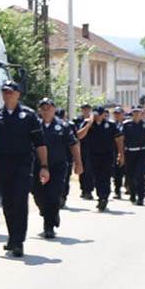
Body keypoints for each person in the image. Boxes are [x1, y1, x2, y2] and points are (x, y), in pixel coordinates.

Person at [0, 82, 48, 257]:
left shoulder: (29, 115)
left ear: (18, 94)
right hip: (2, 163)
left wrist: (44, 166)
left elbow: (40, 143)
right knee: (8, 202)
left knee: (20, 200)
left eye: (10, 92)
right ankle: (12, 237)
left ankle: (18, 241)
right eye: (4, 92)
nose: (7, 95)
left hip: (23, 163)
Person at [32, 99, 81, 238]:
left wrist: (78, 163)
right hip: (38, 166)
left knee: (53, 195)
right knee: (38, 195)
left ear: (54, 109)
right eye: (43, 108)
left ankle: (49, 226)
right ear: (40, 110)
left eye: (48, 108)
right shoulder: (34, 125)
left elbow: (73, 144)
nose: (46, 111)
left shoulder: (63, 126)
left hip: (57, 166)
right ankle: (48, 213)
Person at [81, 105, 124, 212]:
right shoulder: (87, 123)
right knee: (96, 177)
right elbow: (79, 136)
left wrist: (120, 154)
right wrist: (89, 124)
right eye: (96, 114)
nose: (98, 116)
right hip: (92, 155)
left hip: (107, 155)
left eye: (100, 114)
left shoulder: (110, 125)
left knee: (105, 177)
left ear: (103, 115)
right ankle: (100, 196)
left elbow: (118, 139)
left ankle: (103, 198)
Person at [119, 107, 145, 205]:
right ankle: (133, 194)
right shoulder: (126, 125)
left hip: (141, 152)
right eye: (134, 112)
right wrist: (121, 154)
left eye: (138, 112)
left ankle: (141, 197)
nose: (136, 114)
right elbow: (121, 140)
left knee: (140, 175)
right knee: (130, 175)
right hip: (129, 152)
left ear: (141, 114)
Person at [75, 103, 95, 199]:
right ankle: (83, 188)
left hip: (92, 147)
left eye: (87, 109)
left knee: (90, 170)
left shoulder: (94, 119)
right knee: (82, 169)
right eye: (84, 109)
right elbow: (76, 134)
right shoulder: (77, 120)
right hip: (81, 147)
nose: (86, 111)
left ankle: (88, 190)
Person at [111, 107, 126, 199]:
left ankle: (129, 186)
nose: (117, 115)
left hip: (127, 149)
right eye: (115, 113)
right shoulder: (112, 125)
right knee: (118, 171)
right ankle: (117, 190)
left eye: (119, 113)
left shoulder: (126, 124)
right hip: (115, 150)